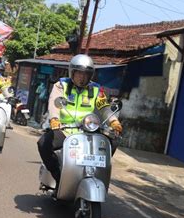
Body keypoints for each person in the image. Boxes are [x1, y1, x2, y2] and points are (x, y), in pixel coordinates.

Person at [37, 54, 123, 188]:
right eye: (79, 74)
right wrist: (54, 119)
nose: (82, 77)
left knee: (113, 140)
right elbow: (54, 102)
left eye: (85, 74)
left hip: (88, 131)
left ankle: (96, 171)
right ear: (72, 72)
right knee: (43, 143)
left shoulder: (96, 90)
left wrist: (114, 121)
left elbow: (104, 108)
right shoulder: (61, 85)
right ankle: (58, 176)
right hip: (65, 130)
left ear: (90, 75)